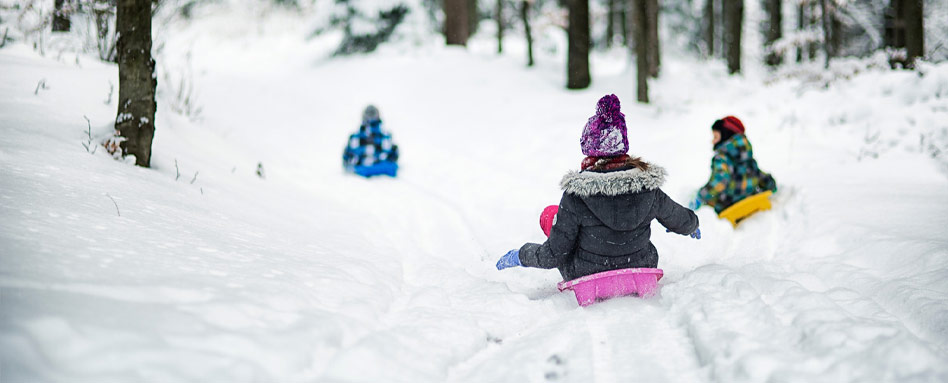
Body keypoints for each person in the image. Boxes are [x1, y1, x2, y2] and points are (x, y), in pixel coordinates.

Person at [495, 94, 700, 281]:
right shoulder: (648, 188)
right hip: (640, 265)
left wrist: (521, 255)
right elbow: (679, 218)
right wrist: (692, 225)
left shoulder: (577, 195)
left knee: (551, 215)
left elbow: (554, 255)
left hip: (587, 273)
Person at [690, 116, 777, 213]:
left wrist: (701, 196)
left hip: (727, 205)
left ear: (725, 135)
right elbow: (756, 173)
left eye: (715, 137)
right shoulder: (747, 155)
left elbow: (720, 181)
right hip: (750, 199)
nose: (712, 141)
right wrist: (770, 184)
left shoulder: (721, 157)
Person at [342, 105, 400, 177]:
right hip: (363, 171)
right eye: (369, 115)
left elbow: (393, 154)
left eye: (372, 115)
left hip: (380, 170)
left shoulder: (385, 136)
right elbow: (347, 158)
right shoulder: (355, 137)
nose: (371, 118)